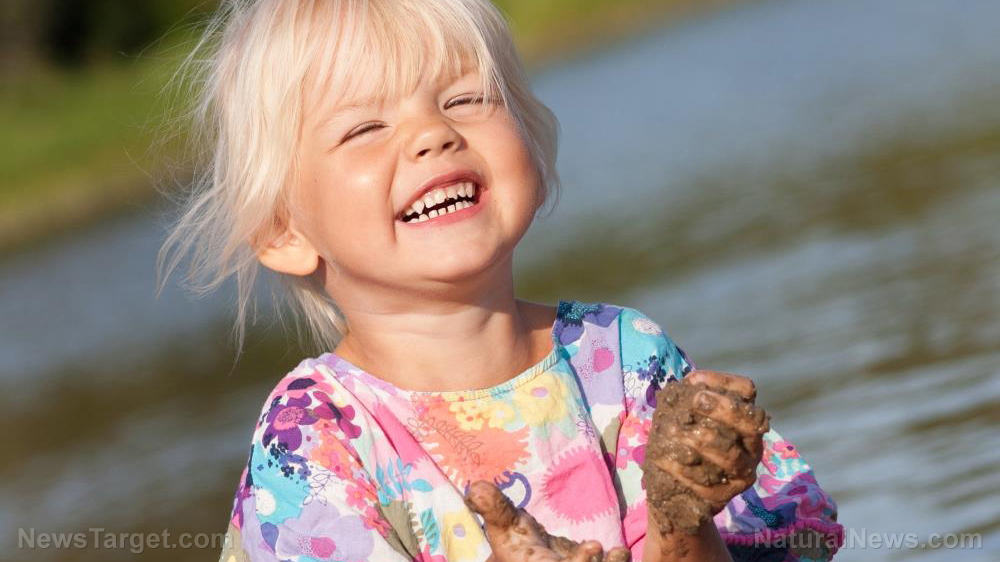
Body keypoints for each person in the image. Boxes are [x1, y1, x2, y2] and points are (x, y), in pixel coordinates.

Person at [157, 1, 843, 561]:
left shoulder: (624, 355)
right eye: (365, 127)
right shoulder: (315, 437)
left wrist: (681, 522)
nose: (432, 134)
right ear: (283, 230)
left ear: (533, 150)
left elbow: (783, 544)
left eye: (466, 98)